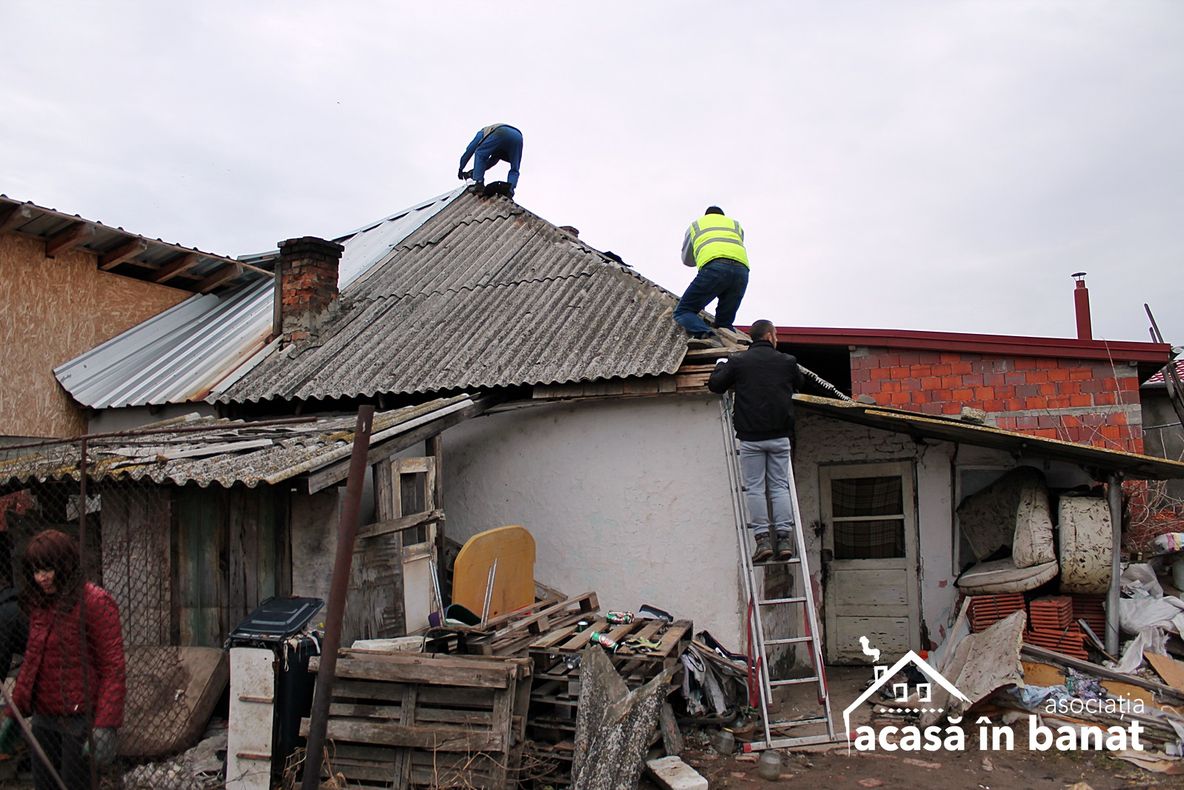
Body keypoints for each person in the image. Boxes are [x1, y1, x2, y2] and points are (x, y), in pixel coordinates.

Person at [11, 529, 125, 789]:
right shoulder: (41, 604)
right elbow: (32, 661)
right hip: (44, 719)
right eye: (36, 570)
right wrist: (14, 712)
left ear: (64, 564)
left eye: (48, 569)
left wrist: (106, 724)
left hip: (80, 722)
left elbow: (113, 667)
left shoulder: (95, 602)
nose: (42, 578)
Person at [708, 320, 803, 563]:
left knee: (756, 488)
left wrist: (720, 366)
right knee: (780, 487)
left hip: (751, 438)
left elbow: (716, 385)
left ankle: (762, 541)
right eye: (776, 335)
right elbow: (799, 385)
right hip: (780, 436)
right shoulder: (787, 362)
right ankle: (783, 538)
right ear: (770, 336)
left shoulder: (739, 362)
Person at [675, 206, 750, 349]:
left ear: (706, 215)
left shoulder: (696, 225)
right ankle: (736, 345)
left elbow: (687, 260)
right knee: (724, 324)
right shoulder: (736, 225)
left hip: (715, 268)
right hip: (742, 271)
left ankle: (708, 336)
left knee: (683, 310)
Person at [458, 123, 523, 196]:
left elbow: (470, 149)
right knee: (515, 167)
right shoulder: (496, 148)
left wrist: (461, 168)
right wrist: (473, 172)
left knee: (480, 153)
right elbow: (490, 163)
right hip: (518, 138)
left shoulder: (482, 132)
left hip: (501, 131)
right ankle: (510, 191)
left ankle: (479, 183)